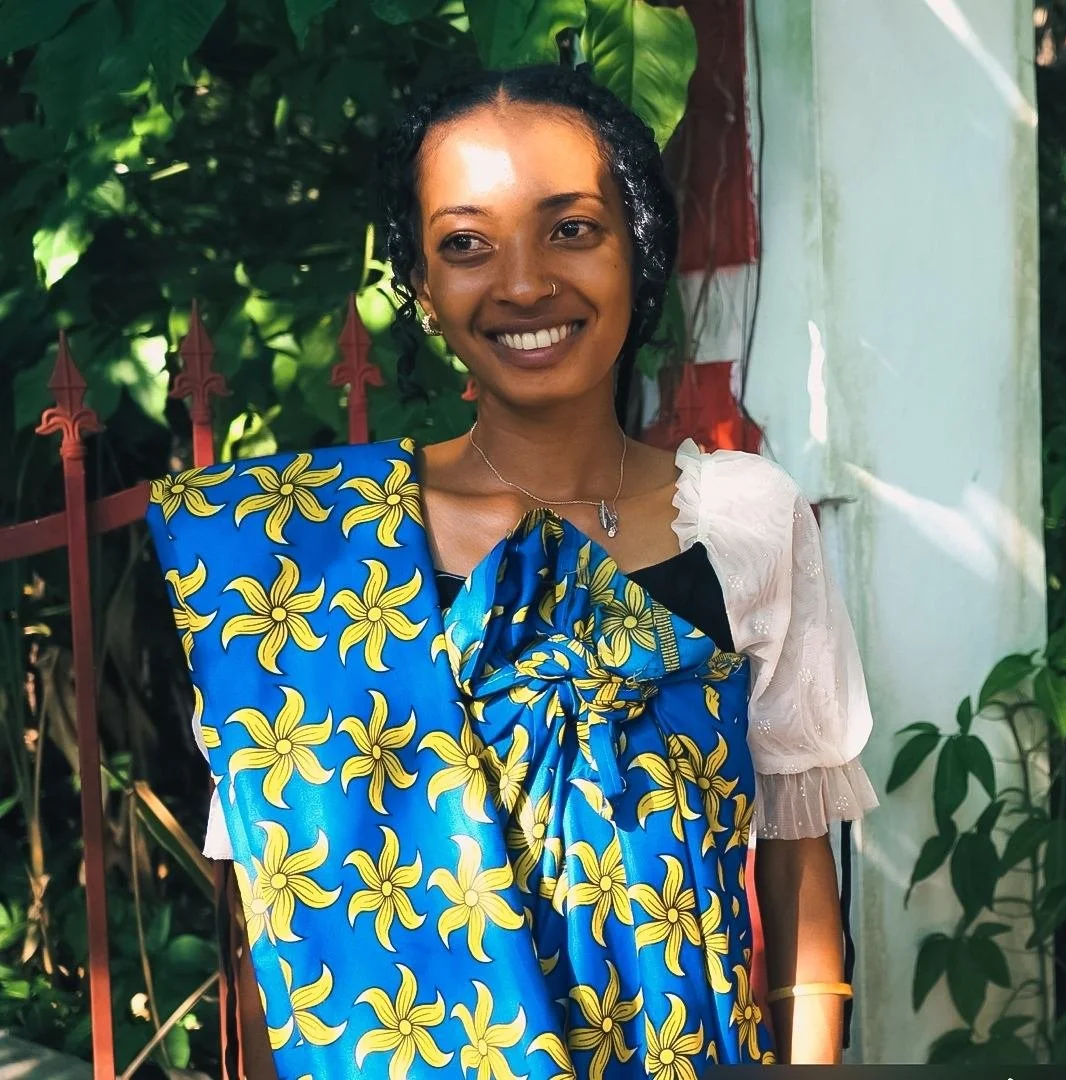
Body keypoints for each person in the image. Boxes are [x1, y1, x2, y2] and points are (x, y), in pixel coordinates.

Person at [147, 64, 876, 1078]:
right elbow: (285, 927)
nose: (524, 282)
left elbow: (798, 867)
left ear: (640, 246)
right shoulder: (302, 566)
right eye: (466, 245)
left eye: (571, 228)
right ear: (422, 284)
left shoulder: (745, 522)